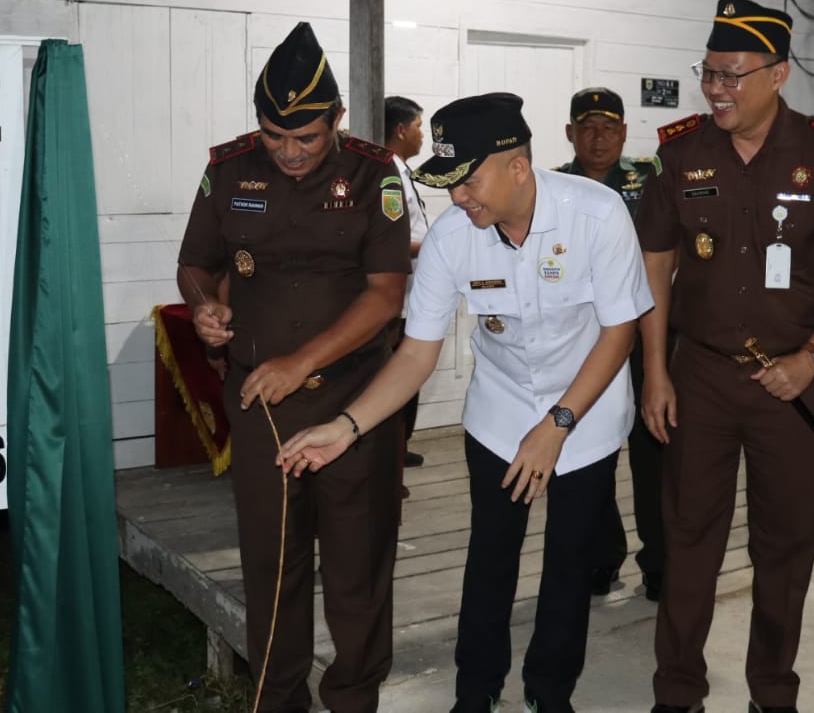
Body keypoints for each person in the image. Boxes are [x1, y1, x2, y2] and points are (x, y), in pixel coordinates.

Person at [278, 92, 653, 713]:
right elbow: (415, 355)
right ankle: (474, 694)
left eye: (468, 181)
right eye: (449, 184)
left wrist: (558, 424)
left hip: (585, 413)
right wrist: (347, 428)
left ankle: (550, 692)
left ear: (518, 167)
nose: (458, 198)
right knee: (490, 560)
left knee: (569, 562)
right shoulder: (455, 236)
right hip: (502, 413)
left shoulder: (598, 213)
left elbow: (620, 331)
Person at [635, 0, 814, 713]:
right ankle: (677, 692)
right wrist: (655, 368)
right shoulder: (680, 152)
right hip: (701, 375)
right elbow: (655, 261)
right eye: (708, 73)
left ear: (777, 74)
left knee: (784, 547)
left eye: (732, 75)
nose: (716, 89)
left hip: (792, 383)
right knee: (688, 543)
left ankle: (773, 692)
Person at [176, 21, 411, 713]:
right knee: (271, 564)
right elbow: (198, 263)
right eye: (275, 135)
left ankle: (353, 697)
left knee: (356, 564)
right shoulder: (229, 168)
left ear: (336, 119)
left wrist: (298, 362)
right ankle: (277, 699)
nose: (289, 152)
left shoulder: (373, 173)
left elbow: (386, 294)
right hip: (261, 406)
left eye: (306, 137)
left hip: (353, 405)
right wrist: (203, 307)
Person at [555, 86, 665, 600]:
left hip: (644, 335)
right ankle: (601, 556)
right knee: (589, 449)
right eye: (588, 127)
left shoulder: (651, 182)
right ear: (571, 133)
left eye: (609, 127)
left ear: (624, 132)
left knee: (653, 451)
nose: (599, 137)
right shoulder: (551, 185)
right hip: (582, 341)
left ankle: (660, 560)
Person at [384, 95, 430, 485]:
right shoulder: (388, 174)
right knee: (398, 379)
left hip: (411, 296)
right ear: (400, 130)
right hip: (396, 302)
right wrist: (436, 246)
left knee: (409, 382)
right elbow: (392, 241)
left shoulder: (401, 169)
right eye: (418, 126)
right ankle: (389, 459)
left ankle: (399, 446)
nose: (423, 136)